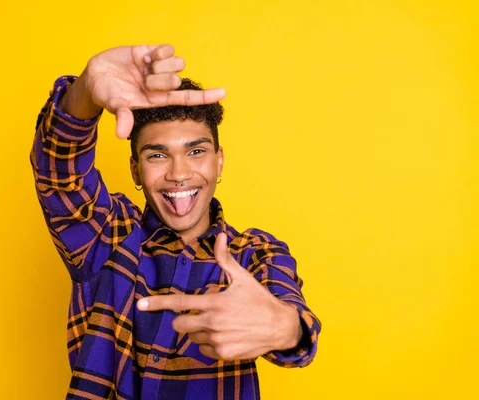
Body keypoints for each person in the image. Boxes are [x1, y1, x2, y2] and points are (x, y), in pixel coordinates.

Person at [30, 44, 321, 400]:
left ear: (219, 162)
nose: (179, 174)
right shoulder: (106, 236)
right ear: (135, 170)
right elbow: (61, 177)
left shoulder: (255, 253)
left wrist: (287, 329)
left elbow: (294, 319)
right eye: (157, 155)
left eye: (196, 151)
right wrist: (85, 91)